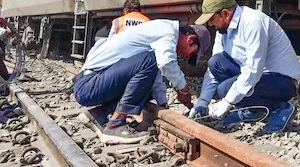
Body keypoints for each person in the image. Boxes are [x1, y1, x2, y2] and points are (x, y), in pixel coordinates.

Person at [73, 19, 211, 143]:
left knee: (146, 82)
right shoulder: (167, 32)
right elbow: (165, 63)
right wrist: (184, 89)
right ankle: (114, 125)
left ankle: (98, 114)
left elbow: (153, 75)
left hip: (91, 82)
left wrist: (162, 103)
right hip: (89, 85)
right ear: (190, 39)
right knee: (150, 61)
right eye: (192, 53)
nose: (187, 57)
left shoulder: (160, 30)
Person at [189, 0, 300, 133]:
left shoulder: (253, 22)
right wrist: (202, 102)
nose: (211, 24)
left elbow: (253, 69)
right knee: (215, 63)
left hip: (282, 81)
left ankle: (280, 108)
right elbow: (213, 71)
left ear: (225, 13)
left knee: (225, 90)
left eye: (212, 19)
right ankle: (255, 109)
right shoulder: (223, 30)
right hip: (260, 78)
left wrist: (227, 102)